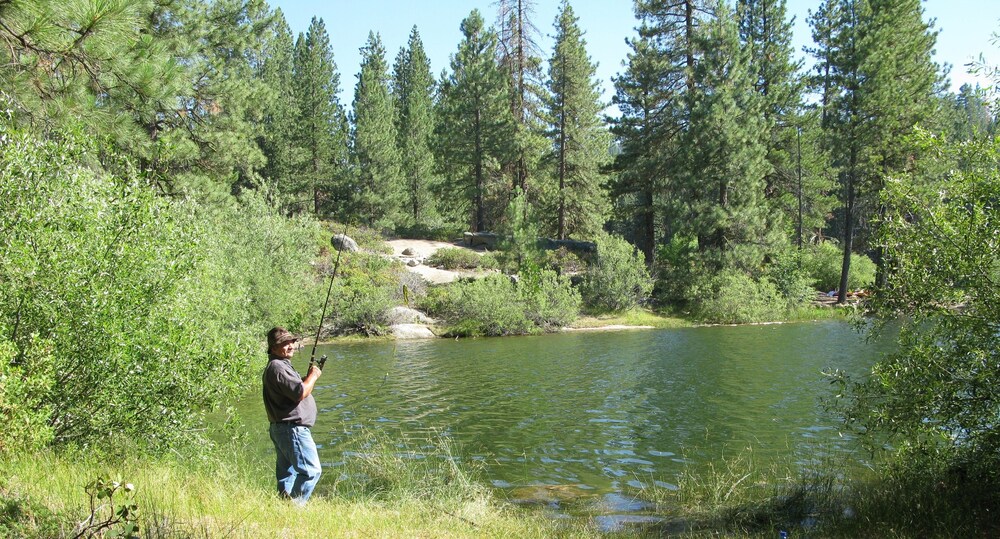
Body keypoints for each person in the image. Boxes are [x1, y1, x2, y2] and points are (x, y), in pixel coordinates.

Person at [262, 327, 323, 504]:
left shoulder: (278, 366)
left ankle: (283, 507)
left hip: (282, 429)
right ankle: (294, 509)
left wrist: (305, 380)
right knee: (311, 471)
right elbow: (299, 393)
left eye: (291, 341)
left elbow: (293, 390)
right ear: (273, 348)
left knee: (287, 473)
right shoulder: (277, 367)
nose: (290, 346)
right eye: (284, 343)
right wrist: (313, 376)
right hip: (292, 429)